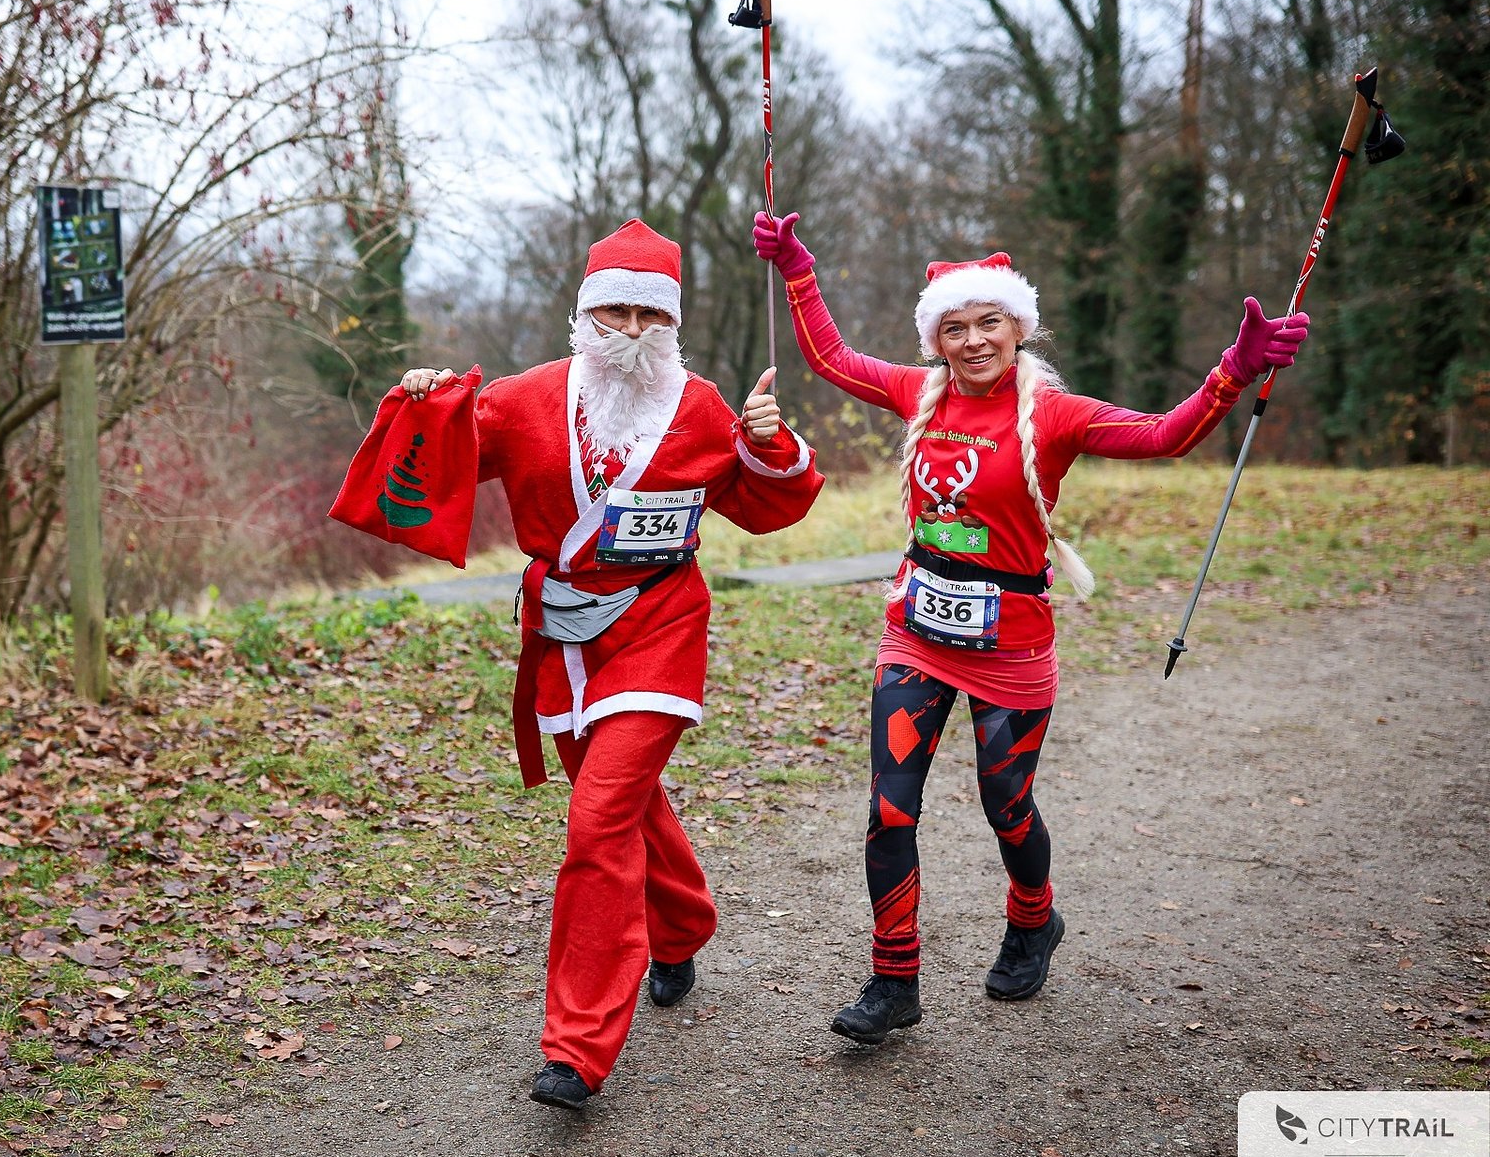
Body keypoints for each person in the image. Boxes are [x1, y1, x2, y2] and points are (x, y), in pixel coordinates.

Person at [752, 210, 1309, 1044]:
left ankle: (1031, 917)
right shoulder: (917, 393)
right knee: (889, 810)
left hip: (1011, 645)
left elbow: (1165, 436)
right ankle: (892, 978)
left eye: (989, 322)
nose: (973, 341)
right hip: (917, 632)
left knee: (1005, 804)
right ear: (935, 338)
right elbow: (830, 358)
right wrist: (798, 267)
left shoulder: (1054, 414)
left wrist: (1233, 371)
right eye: (955, 327)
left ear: (1019, 326)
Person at [394, 219, 824, 1107]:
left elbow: (768, 508)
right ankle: (683, 921)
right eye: (615, 311)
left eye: (648, 315)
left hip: (661, 631)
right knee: (623, 804)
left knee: (596, 820)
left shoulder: (702, 407)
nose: (631, 330)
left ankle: (576, 1050)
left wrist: (771, 443)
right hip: (564, 642)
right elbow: (441, 458)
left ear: (670, 325)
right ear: (584, 316)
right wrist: (425, 397)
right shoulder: (523, 400)